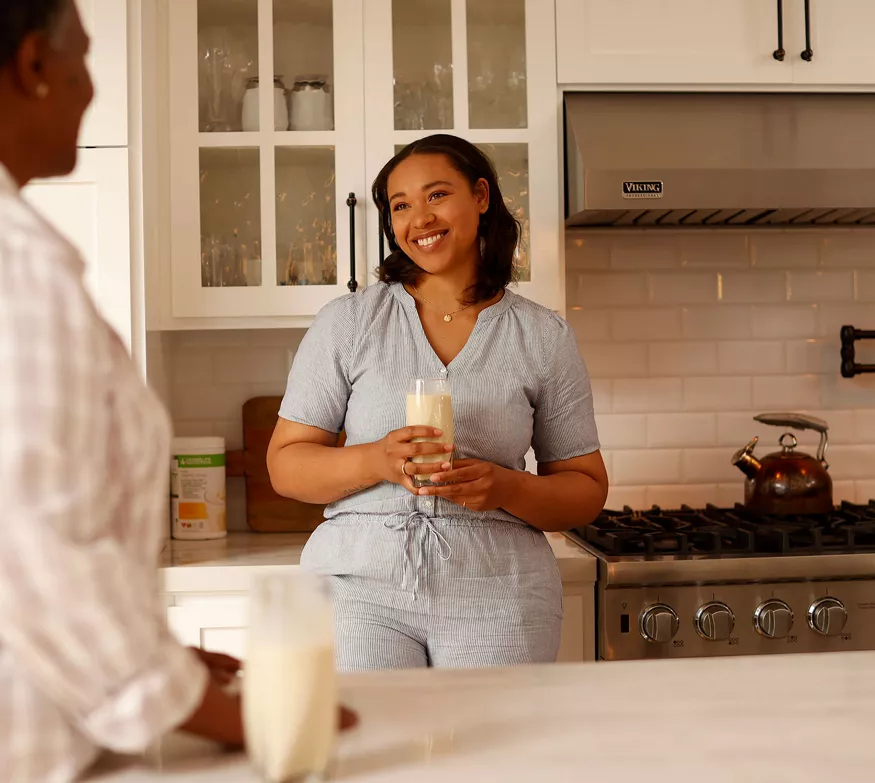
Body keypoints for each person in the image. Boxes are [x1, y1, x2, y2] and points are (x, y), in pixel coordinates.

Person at [1, 2, 260, 779]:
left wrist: (153, 656)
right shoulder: (18, 269)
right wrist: (200, 704)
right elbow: (27, 536)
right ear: (33, 68)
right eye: (82, 59)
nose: (91, 89)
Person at [268, 134, 609, 671]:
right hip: (357, 587)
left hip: (501, 593)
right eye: (400, 205)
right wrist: (376, 459)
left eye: (436, 195)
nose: (418, 218)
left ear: (480, 196)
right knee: (371, 746)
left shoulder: (544, 337)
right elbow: (286, 467)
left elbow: (586, 489)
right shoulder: (348, 322)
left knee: (488, 752)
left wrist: (505, 486)